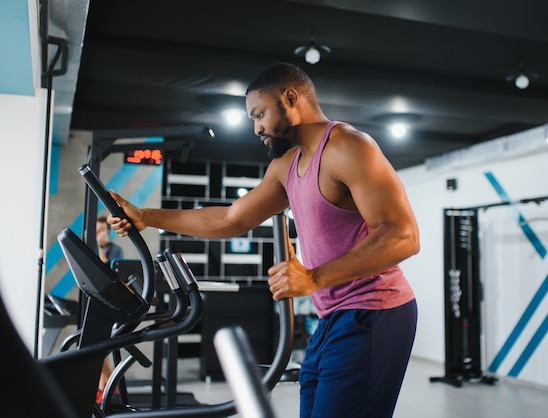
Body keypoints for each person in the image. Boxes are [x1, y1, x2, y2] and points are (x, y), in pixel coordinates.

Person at [108, 62, 420, 418]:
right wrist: (147, 217)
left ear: (291, 98)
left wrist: (313, 278)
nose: (256, 128)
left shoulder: (348, 147)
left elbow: (403, 235)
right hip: (332, 316)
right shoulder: (286, 166)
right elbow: (230, 218)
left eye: (259, 114)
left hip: (374, 311)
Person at [95, 216, 123, 404]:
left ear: (107, 231)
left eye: (101, 231)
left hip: (110, 300)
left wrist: (98, 247)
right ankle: (105, 385)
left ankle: (108, 385)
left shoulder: (114, 249)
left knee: (100, 347)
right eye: (96, 231)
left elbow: (106, 271)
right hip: (95, 300)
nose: (98, 234)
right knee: (96, 347)